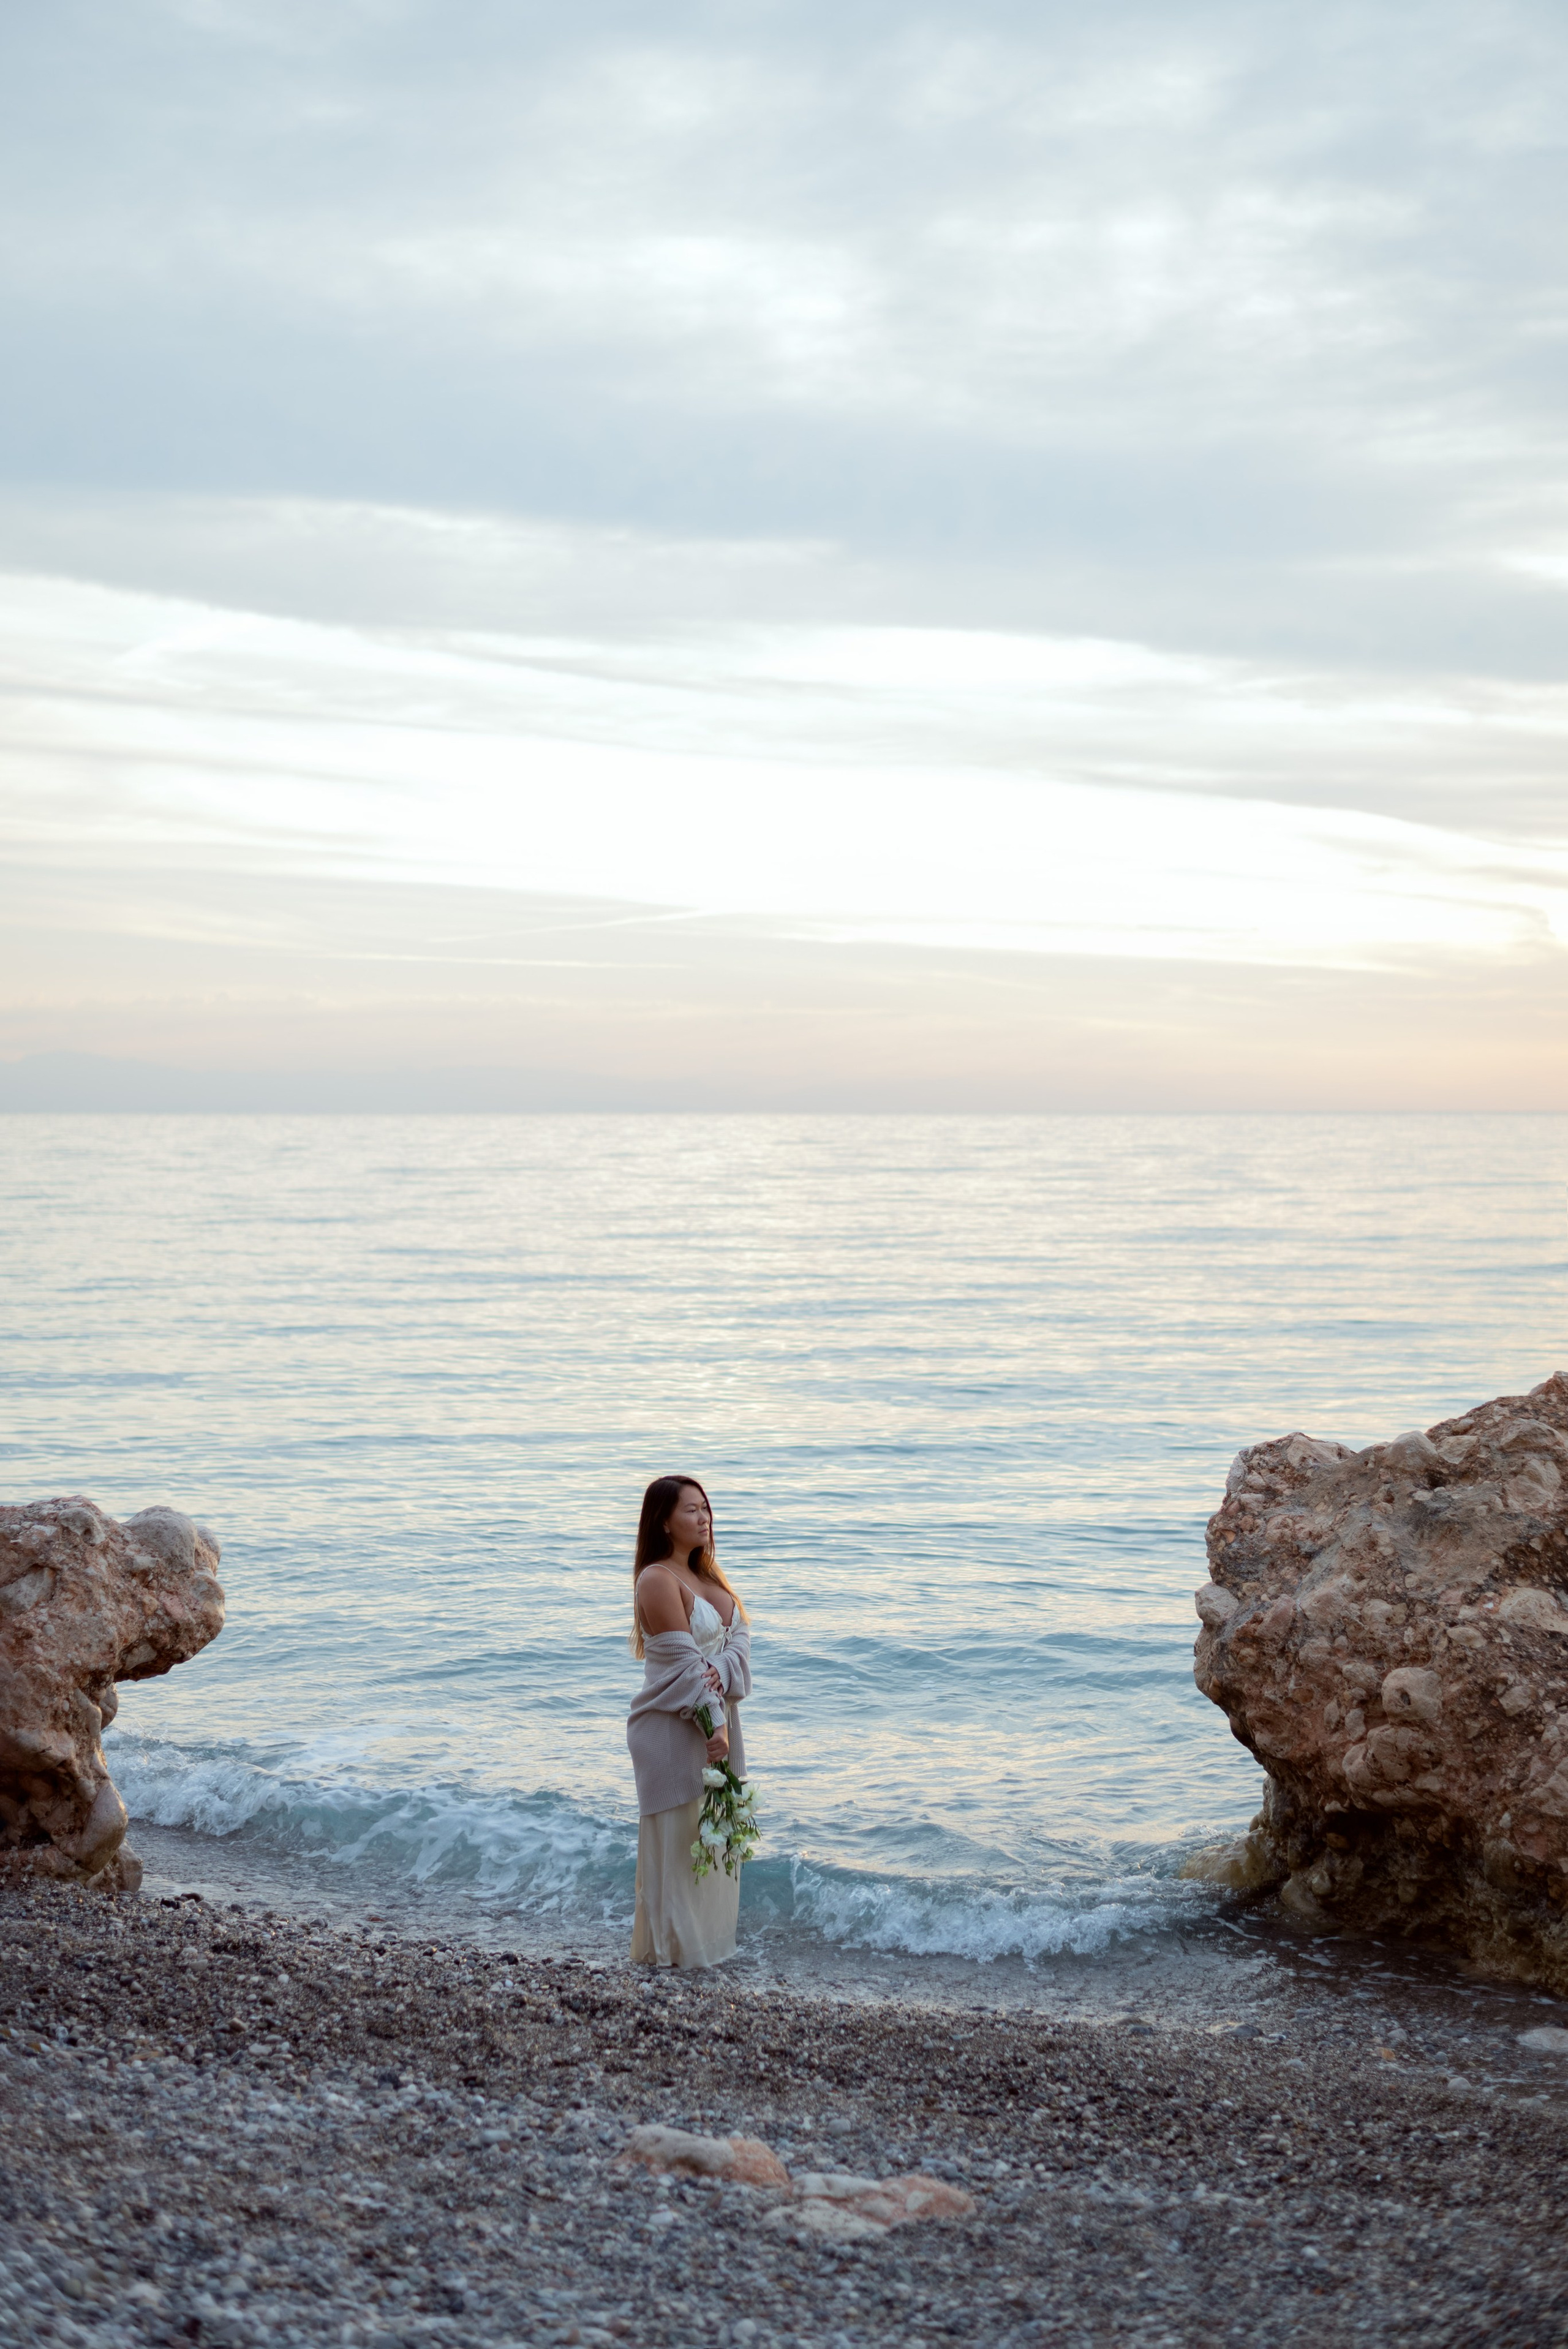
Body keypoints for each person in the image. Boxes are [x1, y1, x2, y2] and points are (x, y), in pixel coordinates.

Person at [625, 1475, 752, 1968]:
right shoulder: (657, 1578)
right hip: (676, 1730)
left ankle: (710, 1953)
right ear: (663, 1521)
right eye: (691, 1510)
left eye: (706, 1508)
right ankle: (674, 1958)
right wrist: (713, 1726)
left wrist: (718, 1675)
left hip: (715, 1722)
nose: (703, 1518)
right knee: (681, 1851)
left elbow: (739, 1646)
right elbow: (682, 1671)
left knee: (716, 1842)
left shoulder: (711, 1576)